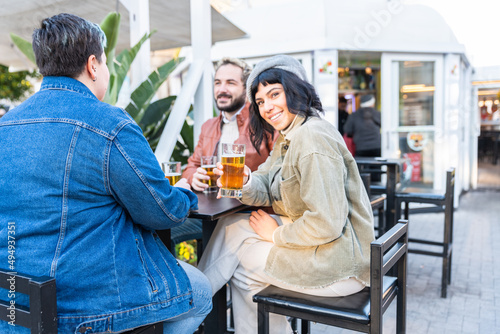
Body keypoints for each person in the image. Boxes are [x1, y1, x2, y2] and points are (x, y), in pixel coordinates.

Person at [0, 13, 211, 333]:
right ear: (93, 65)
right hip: (84, 308)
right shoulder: (109, 124)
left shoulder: (5, 125)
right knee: (200, 291)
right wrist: (183, 191)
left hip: (14, 303)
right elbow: (162, 212)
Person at [197, 55, 375, 333]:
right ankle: (190, 300)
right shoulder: (290, 135)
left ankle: (186, 305)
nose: (267, 107)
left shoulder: (312, 138)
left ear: (296, 90)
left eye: (274, 94)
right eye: (260, 101)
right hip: (326, 246)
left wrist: (275, 235)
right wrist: (244, 180)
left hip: (340, 263)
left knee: (241, 267)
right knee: (231, 226)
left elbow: (326, 223)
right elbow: (266, 185)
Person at [181, 57, 277, 191]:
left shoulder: (265, 121)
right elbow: (192, 166)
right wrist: (193, 177)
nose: (222, 89)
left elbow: (280, 173)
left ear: (246, 88)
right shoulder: (208, 126)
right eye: (217, 83)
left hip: (250, 208)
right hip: (215, 208)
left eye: (230, 83)